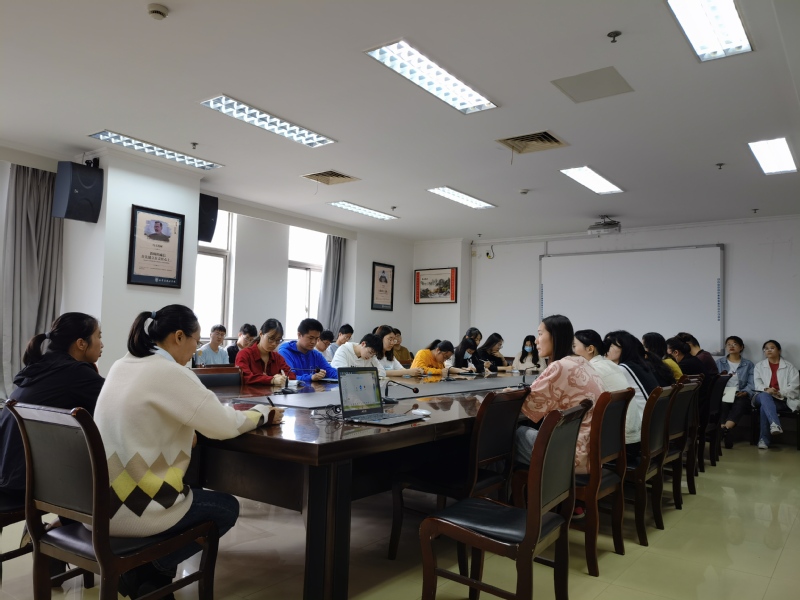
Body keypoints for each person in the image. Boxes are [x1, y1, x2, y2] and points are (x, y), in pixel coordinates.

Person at [93, 305, 283, 597]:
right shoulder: (171, 372)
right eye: (196, 340)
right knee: (226, 508)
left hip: (102, 503)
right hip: (138, 507)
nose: (196, 348)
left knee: (191, 489)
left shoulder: (122, 364)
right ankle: (148, 569)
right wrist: (263, 412)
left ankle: (146, 577)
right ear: (179, 336)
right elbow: (224, 425)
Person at [1, 313, 105, 503]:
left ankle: (57, 521)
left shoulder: (41, 366)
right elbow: (113, 406)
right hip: (24, 484)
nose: (102, 344)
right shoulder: (76, 373)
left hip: (7, 473)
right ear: (81, 343)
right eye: (99, 336)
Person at [515, 315, 605, 476]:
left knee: (508, 435)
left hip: (571, 453)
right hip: (592, 450)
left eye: (540, 334)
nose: (536, 340)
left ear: (554, 336)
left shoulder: (560, 366)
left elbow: (527, 406)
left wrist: (509, 395)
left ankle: (495, 488)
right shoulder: (582, 362)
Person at [574, 329, 641, 445]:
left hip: (617, 442)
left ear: (590, 349)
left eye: (574, 346)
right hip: (631, 437)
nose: (571, 351)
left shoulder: (592, 369)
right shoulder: (609, 364)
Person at [753, 339, 800, 449]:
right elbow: (757, 383)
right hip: (760, 396)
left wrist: (780, 393)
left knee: (765, 407)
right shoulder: (759, 366)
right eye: (766, 349)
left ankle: (764, 440)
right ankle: (775, 423)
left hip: (781, 399)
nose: (769, 350)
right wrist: (766, 389)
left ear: (779, 351)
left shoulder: (789, 367)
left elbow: (794, 386)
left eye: (772, 348)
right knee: (765, 396)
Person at [716, 336, 755, 448]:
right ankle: (726, 430)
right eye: (728, 344)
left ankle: (724, 430)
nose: (731, 346)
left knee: (740, 403)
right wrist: (720, 392)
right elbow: (715, 380)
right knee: (722, 403)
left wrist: (745, 392)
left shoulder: (748, 364)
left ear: (741, 347)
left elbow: (752, 383)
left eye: (735, 344)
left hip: (741, 393)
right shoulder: (719, 363)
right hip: (725, 393)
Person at [236, 319, 296, 386]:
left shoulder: (277, 357)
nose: (274, 344)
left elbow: (291, 375)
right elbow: (245, 377)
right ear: (261, 334)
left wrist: (280, 377)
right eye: (271, 339)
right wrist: (272, 379)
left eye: (278, 340)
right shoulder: (244, 354)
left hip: (274, 393)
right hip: (250, 392)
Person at [278, 318, 338, 384]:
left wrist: (343, 375)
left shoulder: (316, 355)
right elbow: (289, 376)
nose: (313, 342)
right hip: (293, 390)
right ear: (299, 335)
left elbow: (330, 371)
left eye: (316, 339)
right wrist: (310, 377)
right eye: (310, 338)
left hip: (313, 389)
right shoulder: (285, 353)